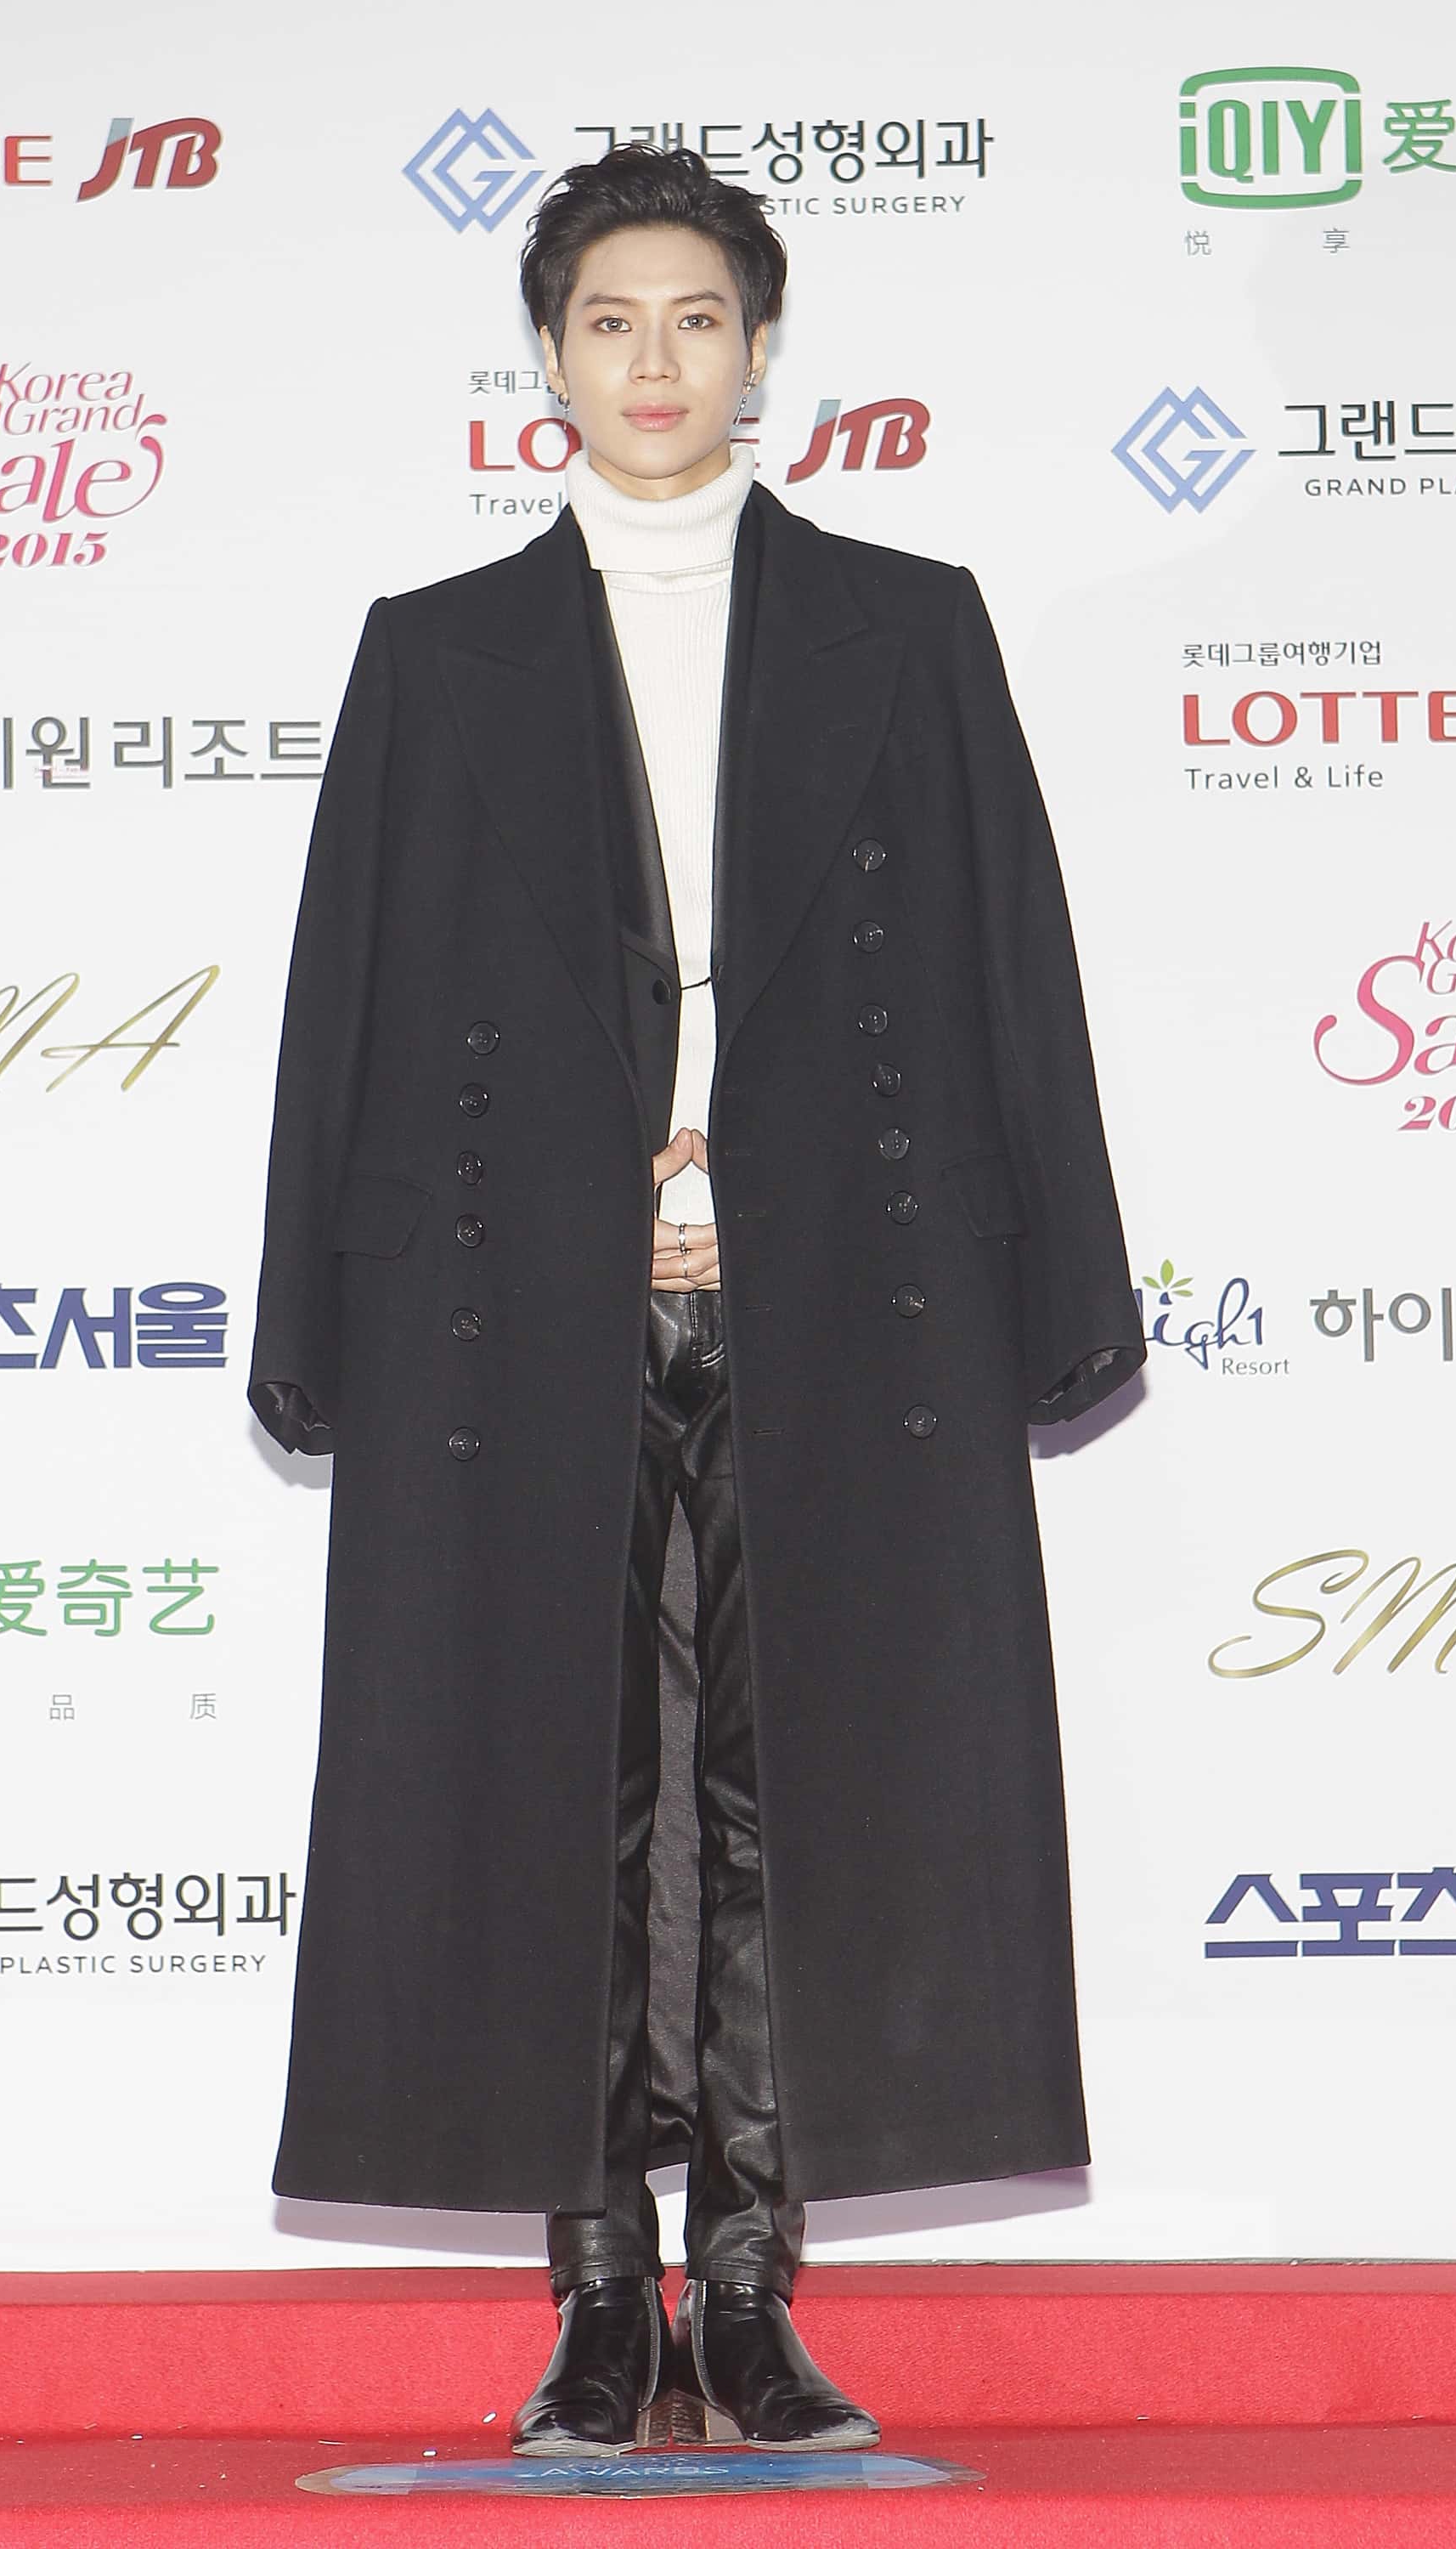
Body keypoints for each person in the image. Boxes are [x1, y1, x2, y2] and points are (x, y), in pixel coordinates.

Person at [247, 143, 1144, 2459]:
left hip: (845, 1293)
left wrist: (1043, 1266)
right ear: (547, 357)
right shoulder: (433, 647)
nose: (653, 361)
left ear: (760, 352)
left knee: (798, 1796)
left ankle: (747, 2297)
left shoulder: (907, 624)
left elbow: (1007, 962)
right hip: (503, 1311)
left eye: (697, 319)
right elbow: (355, 998)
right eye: (609, 320)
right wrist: (334, 1303)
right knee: (550, 1790)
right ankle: (590, 2303)